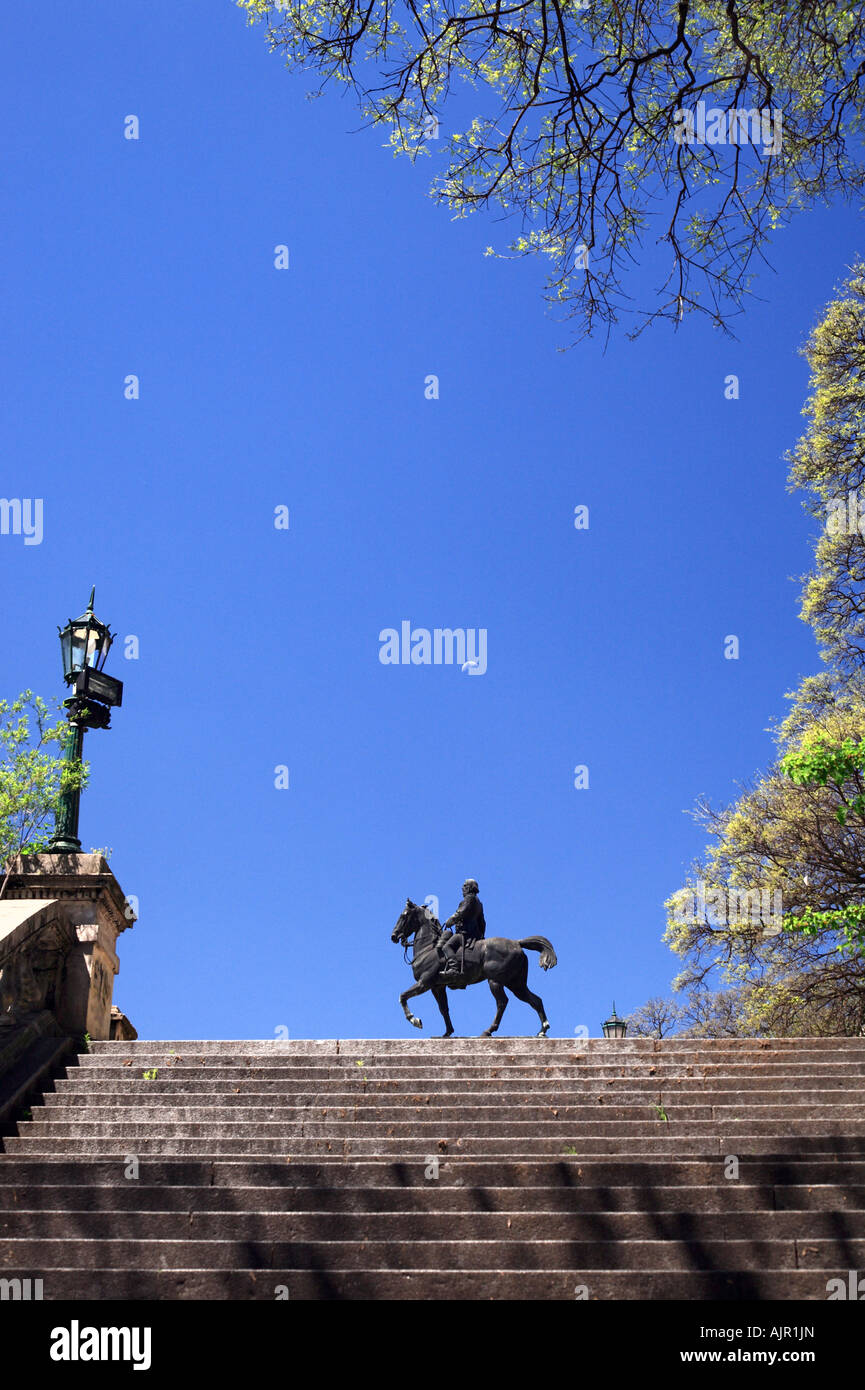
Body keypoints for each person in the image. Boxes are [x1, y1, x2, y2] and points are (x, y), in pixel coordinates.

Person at [439, 879, 486, 975]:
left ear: (469, 888)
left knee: (446, 947)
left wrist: (450, 921)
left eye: (464, 886)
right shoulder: (479, 903)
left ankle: (454, 968)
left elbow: (460, 913)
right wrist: (481, 936)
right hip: (475, 935)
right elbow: (482, 922)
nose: (462, 889)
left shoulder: (469, 899)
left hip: (465, 934)